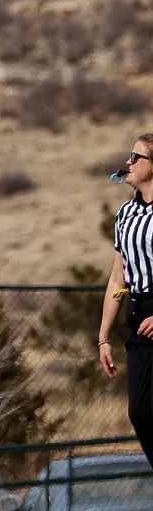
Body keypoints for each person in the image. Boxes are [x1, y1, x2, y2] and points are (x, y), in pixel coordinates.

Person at [99, 133, 153, 464]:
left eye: (136, 157)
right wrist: (104, 337)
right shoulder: (126, 214)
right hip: (139, 314)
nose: (127, 163)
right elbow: (118, 278)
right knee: (141, 413)